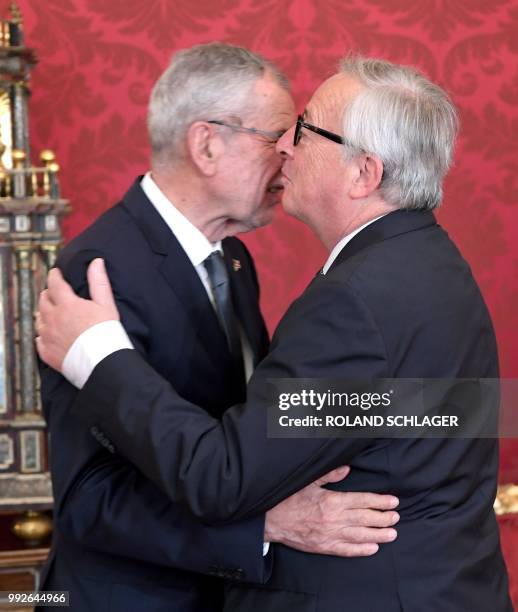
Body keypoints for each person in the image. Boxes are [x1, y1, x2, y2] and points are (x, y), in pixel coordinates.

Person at [37, 55, 513, 611]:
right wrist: (265, 525)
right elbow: (88, 497)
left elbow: (244, 459)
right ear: (206, 145)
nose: (288, 146)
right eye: (276, 132)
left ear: (365, 173)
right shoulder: (95, 274)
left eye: (305, 131)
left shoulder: (341, 290)